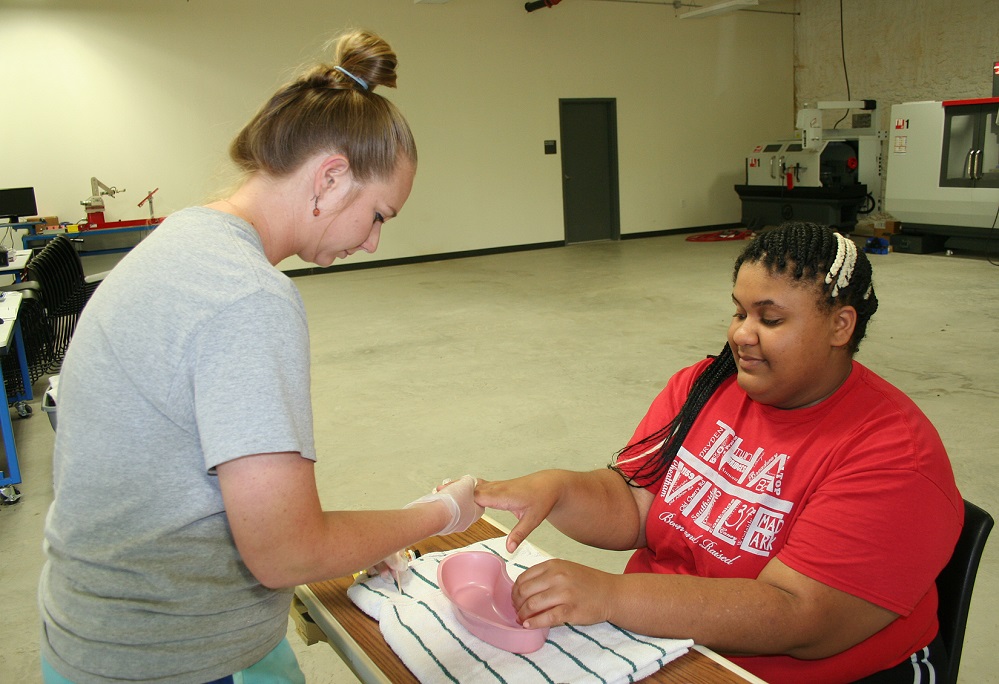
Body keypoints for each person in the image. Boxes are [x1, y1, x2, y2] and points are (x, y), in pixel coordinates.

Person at [38, 30, 481, 684]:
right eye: (379, 215)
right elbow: (287, 551)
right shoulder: (246, 296)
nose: (372, 244)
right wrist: (442, 514)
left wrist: (363, 538)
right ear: (330, 178)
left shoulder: (185, 239)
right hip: (162, 661)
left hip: (95, 636)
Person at [475, 222, 963, 684]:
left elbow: (798, 617)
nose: (740, 335)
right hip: (667, 640)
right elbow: (635, 503)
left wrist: (613, 596)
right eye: (739, 312)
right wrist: (556, 489)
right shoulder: (704, 387)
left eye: (769, 319)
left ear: (840, 325)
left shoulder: (895, 457)